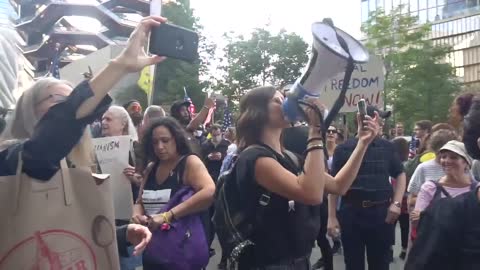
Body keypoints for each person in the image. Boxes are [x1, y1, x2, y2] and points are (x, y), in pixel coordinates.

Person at [0, 13, 167, 260]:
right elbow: (47, 145)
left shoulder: (74, 166)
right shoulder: (12, 159)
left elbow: (69, 230)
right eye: (60, 102)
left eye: (72, 101)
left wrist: (122, 234)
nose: (79, 111)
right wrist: (120, 65)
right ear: (29, 107)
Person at [233, 86, 378, 269]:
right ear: (258, 111)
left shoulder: (290, 158)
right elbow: (312, 194)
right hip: (267, 263)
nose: (286, 104)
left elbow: (338, 185)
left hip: (297, 261)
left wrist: (362, 143)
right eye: (278, 101)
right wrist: (315, 130)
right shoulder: (254, 158)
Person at [327, 105, 406, 270]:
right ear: (364, 120)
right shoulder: (343, 149)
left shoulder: (387, 146)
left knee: (380, 264)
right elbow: (333, 185)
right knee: (353, 264)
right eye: (378, 118)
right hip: (351, 214)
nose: (381, 123)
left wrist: (397, 203)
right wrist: (332, 217)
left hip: (381, 214)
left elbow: (400, 174)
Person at [131, 117, 215, 270]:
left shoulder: (189, 163)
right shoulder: (151, 168)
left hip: (182, 253)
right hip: (153, 251)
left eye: (165, 140)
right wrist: (137, 214)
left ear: (176, 139)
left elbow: (209, 191)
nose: (160, 146)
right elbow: (140, 201)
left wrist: (167, 216)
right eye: (155, 142)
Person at [391, 137, 410, 260]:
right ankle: (404, 249)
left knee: (390, 226)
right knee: (405, 226)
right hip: (405, 200)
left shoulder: (392, 164)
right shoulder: (409, 164)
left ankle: (389, 248)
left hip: (393, 200)